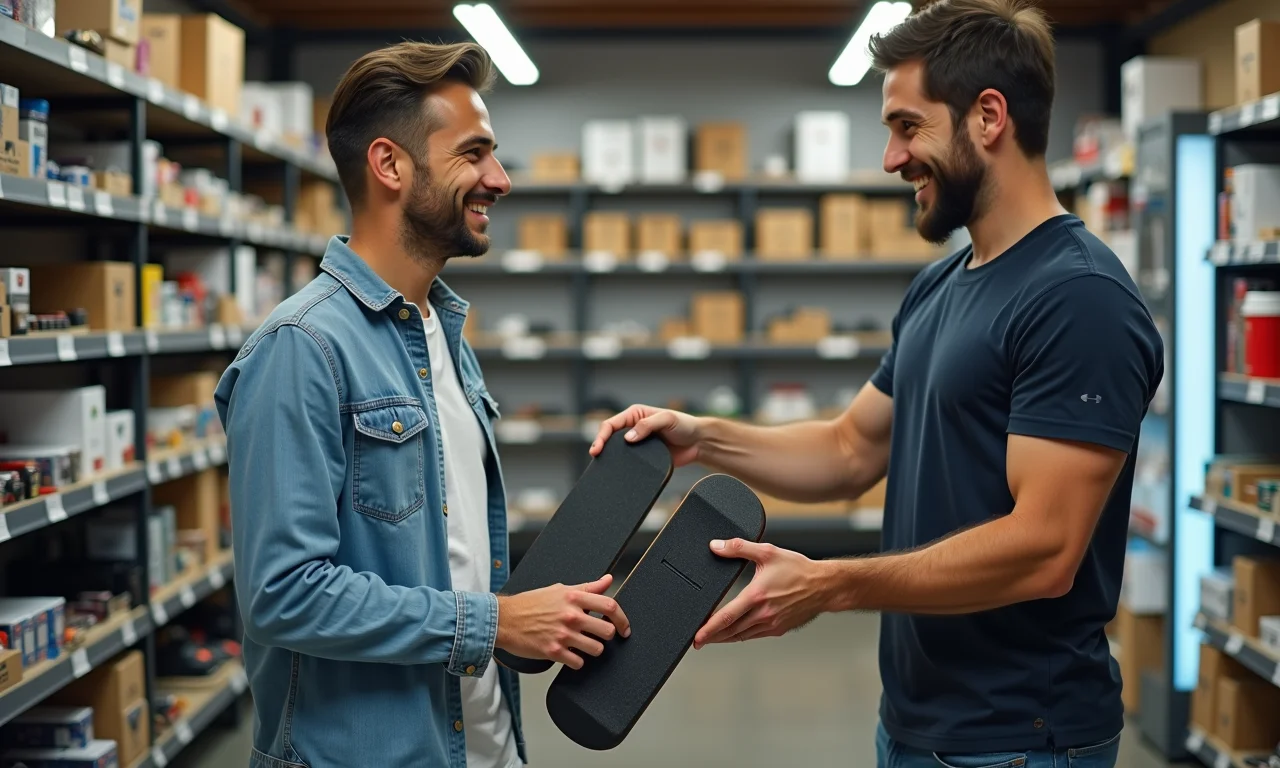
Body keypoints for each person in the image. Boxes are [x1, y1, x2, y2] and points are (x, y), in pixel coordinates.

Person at [591, 0, 1163, 765]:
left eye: (907, 127)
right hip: (914, 723)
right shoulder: (940, 286)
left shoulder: (1077, 298)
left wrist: (832, 584)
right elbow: (849, 449)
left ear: (988, 117)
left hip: (1019, 738)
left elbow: (1045, 549)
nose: (892, 159)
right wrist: (701, 439)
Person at [216, 42, 630, 768]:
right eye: (474, 153)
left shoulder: (443, 332)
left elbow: (455, 551)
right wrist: (495, 624)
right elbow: (282, 595)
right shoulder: (301, 348)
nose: (499, 179)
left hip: (479, 744)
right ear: (390, 165)